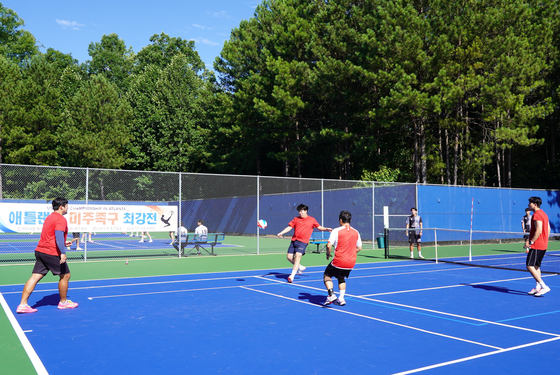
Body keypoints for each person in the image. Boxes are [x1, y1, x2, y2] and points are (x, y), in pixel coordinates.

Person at [17, 197, 79, 313]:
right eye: (67, 206)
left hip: (41, 251)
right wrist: (63, 252)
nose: (67, 208)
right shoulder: (61, 219)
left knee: (35, 276)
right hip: (51, 253)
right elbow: (58, 236)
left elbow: (51, 235)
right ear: (62, 207)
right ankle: (64, 302)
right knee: (65, 276)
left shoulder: (49, 217)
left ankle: (23, 304)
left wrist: (63, 243)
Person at [277, 204, 332, 283]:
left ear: (306, 211)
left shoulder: (312, 219)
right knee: (289, 257)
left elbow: (319, 227)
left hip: (303, 242)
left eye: (301, 211)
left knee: (297, 257)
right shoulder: (296, 219)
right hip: (294, 240)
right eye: (299, 211)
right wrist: (281, 233)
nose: (300, 213)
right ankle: (300, 267)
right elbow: (289, 227)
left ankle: (292, 276)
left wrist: (326, 228)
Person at [323, 210, 362, 306]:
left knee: (326, 275)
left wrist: (328, 254)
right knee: (341, 277)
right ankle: (341, 298)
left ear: (340, 220)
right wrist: (351, 252)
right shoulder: (356, 232)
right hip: (351, 262)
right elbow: (359, 247)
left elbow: (329, 245)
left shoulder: (336, 231)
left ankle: (331, 294)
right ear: (350, 220)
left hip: (339, 260)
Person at [525, 196, 551, 297]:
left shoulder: (537, 215)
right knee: (536, 266)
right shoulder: (544, 214)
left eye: (530, 203)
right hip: (542, 244)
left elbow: (539, 230)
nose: (528, 205)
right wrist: (544, 240)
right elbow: (548, 229)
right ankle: (537, 287)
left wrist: (531, 242)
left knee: (529, 265)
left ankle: (543, 286)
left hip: (537, 245)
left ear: (534, 204)